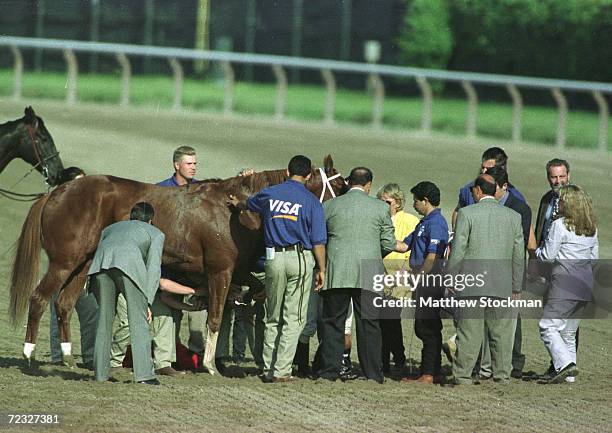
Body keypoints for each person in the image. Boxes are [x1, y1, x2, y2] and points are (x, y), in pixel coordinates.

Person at [228, 155, 327, 382]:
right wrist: (322, 269)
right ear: (308, 175)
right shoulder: (311, 201)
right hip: (299, 258)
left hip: (274, 260)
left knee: (272, 315)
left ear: (287, 172)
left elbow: (249, 204)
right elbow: (318, 241)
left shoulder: (271, 193)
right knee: (294, 318)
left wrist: (237, 204)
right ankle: (282, 371)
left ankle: (268, 368)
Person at [318, 167, 407, 383]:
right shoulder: (379, 208)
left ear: (349, 183)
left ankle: (329, 371)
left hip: (337, 270)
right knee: (369, 324)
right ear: (368, 185)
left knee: (333, 322)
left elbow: (321, 239)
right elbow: (387, 242)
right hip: (369, 273)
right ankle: (373, 374)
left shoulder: (329, 205)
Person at [446, 174, 524, 386]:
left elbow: (459, 250)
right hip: (502, 284)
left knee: (469, 333)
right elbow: (518, 255)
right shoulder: (513, 216)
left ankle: (463, 376)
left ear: (479, 191)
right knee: (502, 335)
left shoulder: (467, 213)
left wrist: (452, 278)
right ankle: (502, 376)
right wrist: (517, 285)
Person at [88, 202, 165, 385]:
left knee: (104, 320)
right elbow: (153, 268)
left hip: (101, 267)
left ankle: (100, 374)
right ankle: (144, 375)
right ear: (151, 220)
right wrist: (148, 301)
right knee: (139, 321)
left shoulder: (110, 228)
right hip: (129, 267)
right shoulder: (156, 233)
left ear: (131, 216)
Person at [473, 166, 532, 380]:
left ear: (504, 187)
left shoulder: (519, 209)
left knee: (507, 327)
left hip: (506, 276)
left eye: (493, 188)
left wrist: (517, 282)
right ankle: (484, 367)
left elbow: (519, 247)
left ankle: (510, 365)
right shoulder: (481, 202)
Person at [535, 184, 598, 384]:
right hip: (585, 285)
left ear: (569, 204)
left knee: (548, 327)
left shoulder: (560, 225)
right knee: (568, 333)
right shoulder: (591, 228)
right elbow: (594, 258)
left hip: (564, 283)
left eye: (561, 200)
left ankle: (565, 365)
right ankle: (569, 376)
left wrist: (534, 251)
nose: (558, 203)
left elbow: (547, 256)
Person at [399, 181, 449, 384]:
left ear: (425, 201)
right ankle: (431, 370)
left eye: (416, 201)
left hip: (430, 280)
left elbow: (433, 255)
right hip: (421, 279)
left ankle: (428, 373)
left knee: (427, 327)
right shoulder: (424, 222)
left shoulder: (436, 223)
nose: (414, 205)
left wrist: (420, 275)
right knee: (425, 326)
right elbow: (403, 246)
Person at [49, 167, 97, 368]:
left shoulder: (94, 213)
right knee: (58, 315)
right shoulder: (58, 214)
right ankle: (59, 358)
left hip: (85, 274)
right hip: (61, 274)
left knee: (92, 313)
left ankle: (89, 357)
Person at [377, 183, 419, 373]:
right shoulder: (377, 219)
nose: (383, 205)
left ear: (398, 203)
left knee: (390, 317)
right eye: (381, 201)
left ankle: (393, 358)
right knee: (381, 319)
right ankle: (390, 357)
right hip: (378, 273)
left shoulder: (410, 221)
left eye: (387, 202)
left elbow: (415, 247)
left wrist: (407, 269)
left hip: (400, 274)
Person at [452, 147, 525, 230]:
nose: (484, 172)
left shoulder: (516, 199)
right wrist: (455, 232)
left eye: (489, 169)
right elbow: (458, 211)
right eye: (483, 168)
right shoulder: (468, 190)